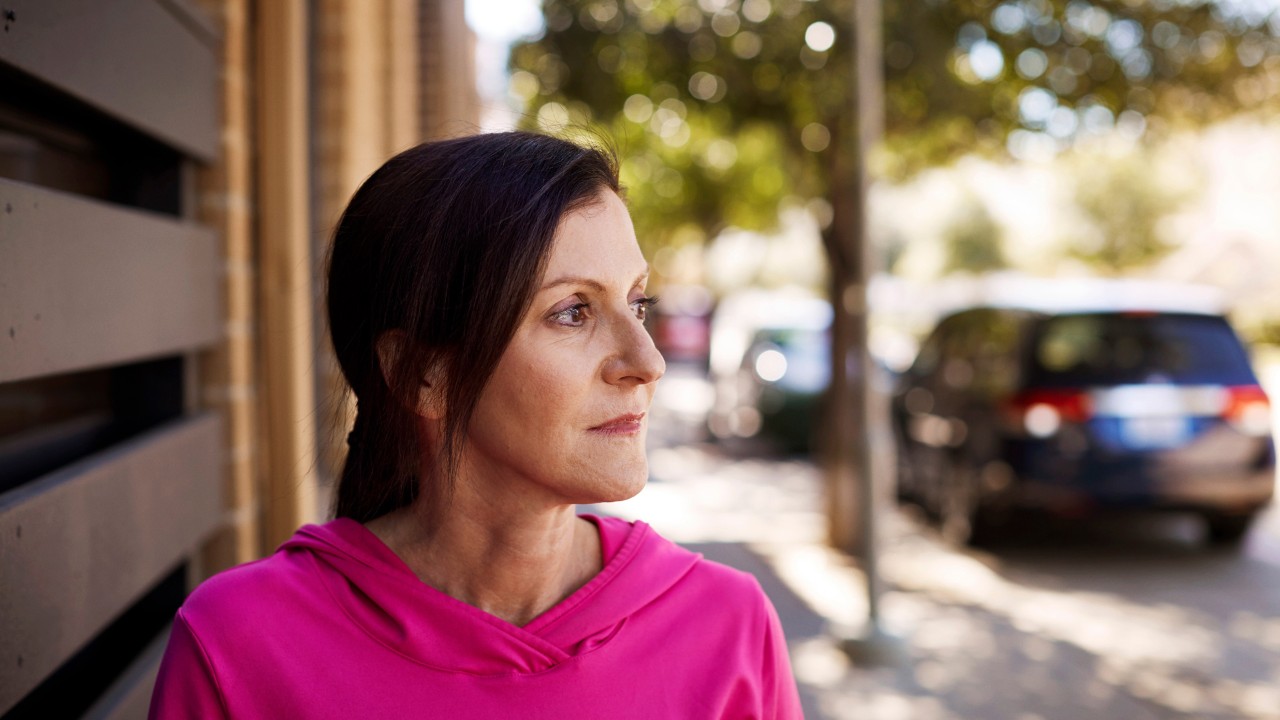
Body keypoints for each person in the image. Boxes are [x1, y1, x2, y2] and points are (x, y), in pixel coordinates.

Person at [149, 131, 804, 719]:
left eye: (638, 302)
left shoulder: (729, 628)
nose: (648, 362)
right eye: (572, 312)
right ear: (422, 374)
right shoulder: (238, 648)